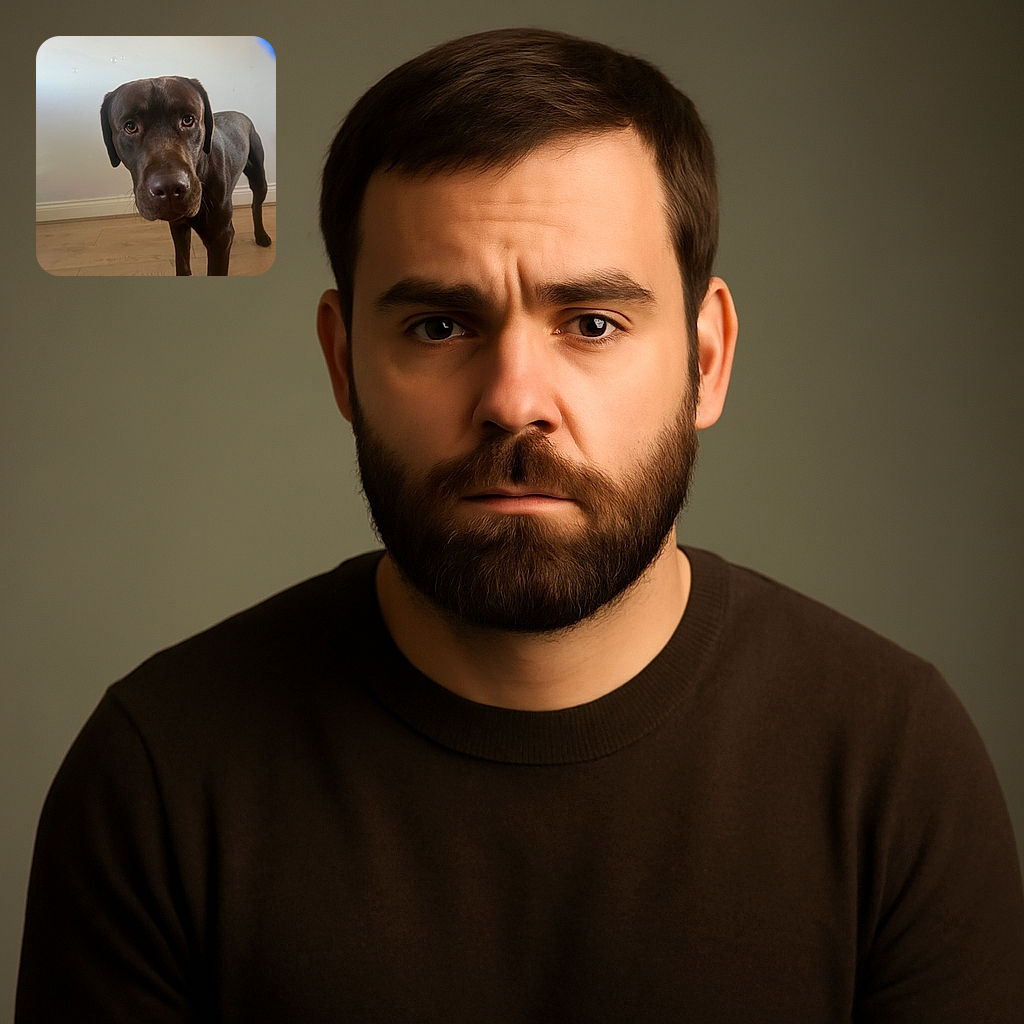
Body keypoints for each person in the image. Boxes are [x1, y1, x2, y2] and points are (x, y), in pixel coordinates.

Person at [16, 27, 1023, 1023]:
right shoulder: (157, 779)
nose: (512, 399)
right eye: (439, 325)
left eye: (591, 322)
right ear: (343, 366)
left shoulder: (892, 764)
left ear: (705, 359)